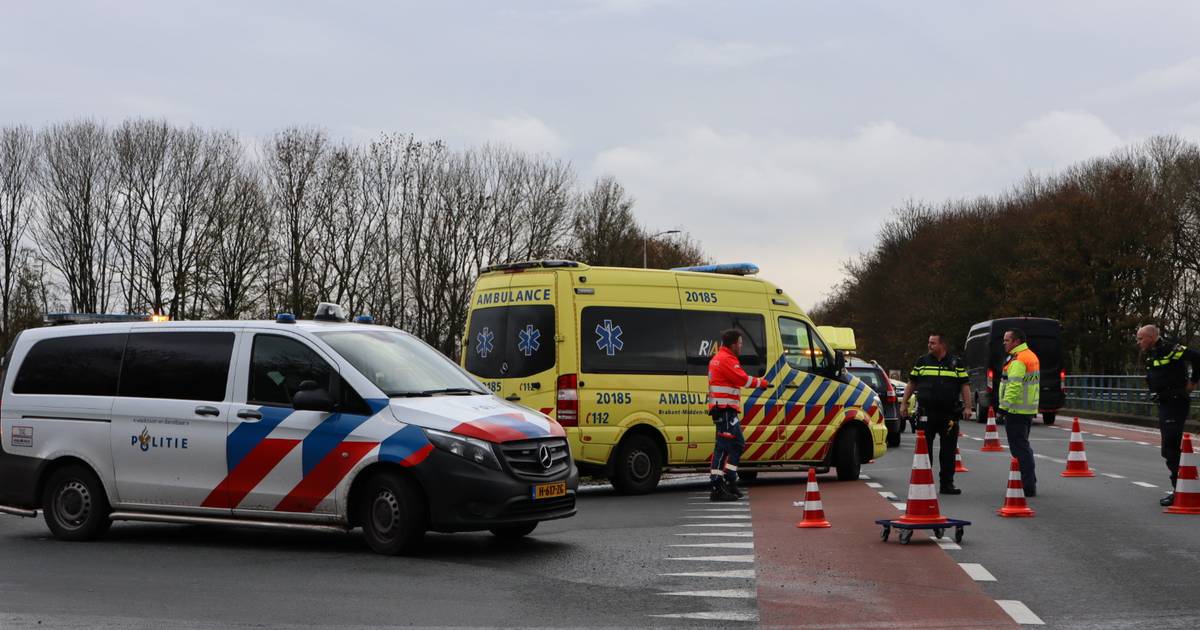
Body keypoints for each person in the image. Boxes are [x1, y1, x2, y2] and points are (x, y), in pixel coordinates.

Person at [1136, 324, 1200, 507]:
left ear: (1152, 337)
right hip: (1164, 402)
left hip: (1176, 400)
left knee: (1171, 444)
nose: (1138, 342)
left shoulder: (1171, 348)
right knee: (1168, 449)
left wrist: (1193, 381)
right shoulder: (1151, 352)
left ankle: (1179, 489)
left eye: (1141, 338)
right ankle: (1181, 487)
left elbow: (1197, 358)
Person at [901, 333, 971, 494]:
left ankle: (947, 484)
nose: (929, 345)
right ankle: (925, 482)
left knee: (948, 451)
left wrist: (968, 407)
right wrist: (904, 403)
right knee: (925, 451)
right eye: (929, 342)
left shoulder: (956, 363)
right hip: (927, 414)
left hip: (949, 415)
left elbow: (965, 385)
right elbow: (912, 383)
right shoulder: (922, 362)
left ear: (942, 345)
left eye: (933, 343)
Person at [707, 329, 771, 501]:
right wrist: (762, 383)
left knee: (737, 444)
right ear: (734, 344)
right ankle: (717, 486)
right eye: (740, 343)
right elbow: (742, 379)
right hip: (725, 410)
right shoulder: (726, 359)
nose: (742, 346)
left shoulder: (720, 358)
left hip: (724, 409)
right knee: (723, 447)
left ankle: (729, 479)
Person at [999, 328, 1039, 497]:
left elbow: (1014, 385)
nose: (1004, 343)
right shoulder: (1030, 355)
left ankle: (1027, 485)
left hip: (1016, 410)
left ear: (1016, 342)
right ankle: (1029, 482)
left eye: (1007, 340)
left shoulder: (1018, 359)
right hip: (1027, 409)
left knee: (1020, 449)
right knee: (1023, 447)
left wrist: (1004, 407)